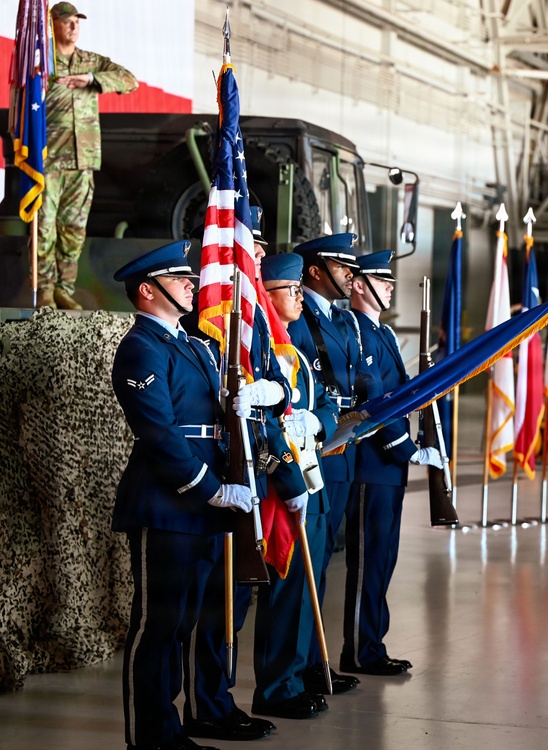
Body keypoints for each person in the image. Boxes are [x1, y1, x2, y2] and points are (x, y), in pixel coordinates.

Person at [110, 240, 255, 750]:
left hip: (201, 509)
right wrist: (213, 489)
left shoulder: (193, 345)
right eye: (180, 281)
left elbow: (213, 422)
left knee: (184, 623)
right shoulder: (140, 348)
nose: (193, 286)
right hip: (167, 503)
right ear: (148, 291)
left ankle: (170, 730)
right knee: (156, 626)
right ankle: (148, 738)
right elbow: (160, 433)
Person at [182, 207, 314, 742]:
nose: (257, 254)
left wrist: (287, 478)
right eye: (248, 246)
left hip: (252, 475)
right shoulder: (207, 322)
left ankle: (219, 700)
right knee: (214, 602)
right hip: (213, 480)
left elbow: (266, 407)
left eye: (256, 246)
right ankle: (205, 705)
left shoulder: (251, 319)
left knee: (233, 598)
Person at [340, 250, 442, 676]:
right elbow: (374, 398)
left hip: (388, 469)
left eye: (389, 282)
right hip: (372, 463)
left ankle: (372, 645)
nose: (388, 288)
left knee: (383, 558)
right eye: (380, 282)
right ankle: (361, 650)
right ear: (358, 285)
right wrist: (407, 449)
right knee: (367, 561)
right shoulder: (356, 330)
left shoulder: (379, 333)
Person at [251, 252, 341, 719]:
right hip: (284, 483)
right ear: (265, 295)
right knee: (285, 589)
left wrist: (317, 423)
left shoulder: (295, 353)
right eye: (290, 291)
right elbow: (263, 423)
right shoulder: (262, 351)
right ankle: (275, 687)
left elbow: (326, 403)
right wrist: (289, 480)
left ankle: (294, 675)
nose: (299, 298)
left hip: (313, 475)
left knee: (306, 588)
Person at [287, 232, 366, 694]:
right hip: (316, 447)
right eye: (342, 267)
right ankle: (296, 669)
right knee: (304, 569)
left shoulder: (338, 319)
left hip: (338, 445)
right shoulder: (299, 322)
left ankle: (314, 661)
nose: (350, 275)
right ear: (316, 270)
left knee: (318, 566)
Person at [40, 2, 138, 310]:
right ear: (52, 24)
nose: (73, 27)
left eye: (77, 22)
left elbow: (129, 80)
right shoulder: (41, 61)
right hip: (48, 159)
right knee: (44, 228)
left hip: (83, 160)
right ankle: (42, 290)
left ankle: (63, 289)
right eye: (67, 22)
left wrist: (93, 80)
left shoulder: (89, 61)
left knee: (73, 231)